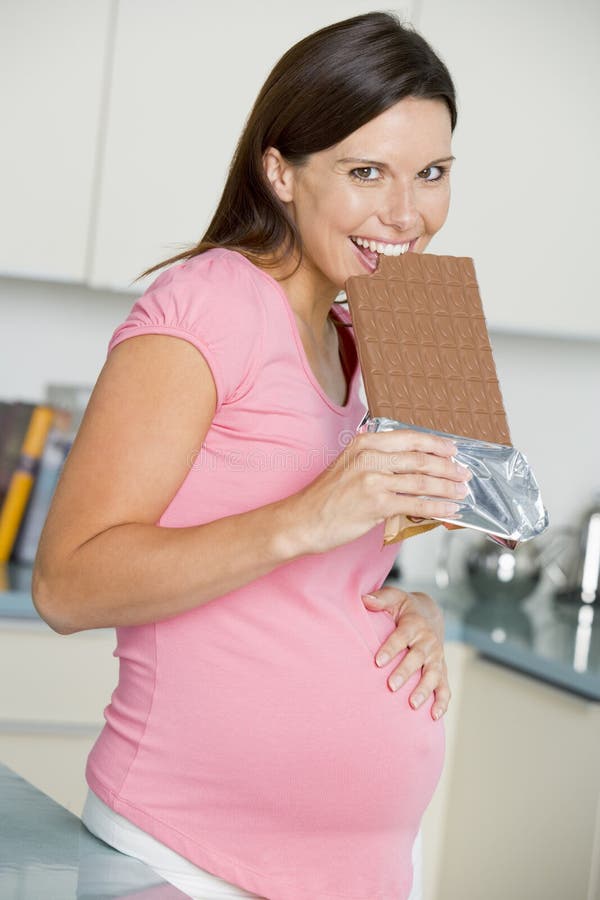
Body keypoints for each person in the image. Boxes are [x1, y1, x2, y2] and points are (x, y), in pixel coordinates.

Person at [33, 11, 471, 900]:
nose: (407, 212)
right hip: (191, 863)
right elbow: (66, 587)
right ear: (280, 171)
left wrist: (403, 608)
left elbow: (328, 584)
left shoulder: (401, 331)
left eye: (431, 173)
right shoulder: (206, 308)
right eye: (365, 172)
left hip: (370, 869)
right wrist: (305, 518)